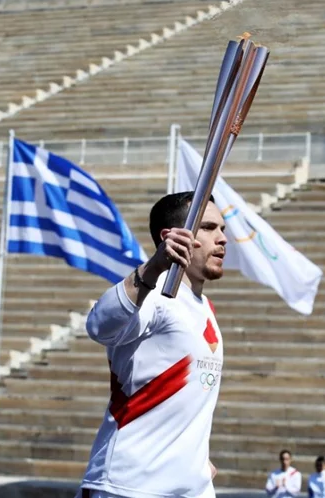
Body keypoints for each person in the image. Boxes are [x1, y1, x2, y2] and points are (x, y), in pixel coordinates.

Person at [75, 192, 227, 498]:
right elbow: (98, 325)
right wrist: (154, 267)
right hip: (130, 485)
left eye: (223, 229)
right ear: (172, 236)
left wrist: (195, 458)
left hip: (189, 488)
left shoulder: (203, 306)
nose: (222, 239)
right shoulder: (152, 295)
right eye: (209, 228)